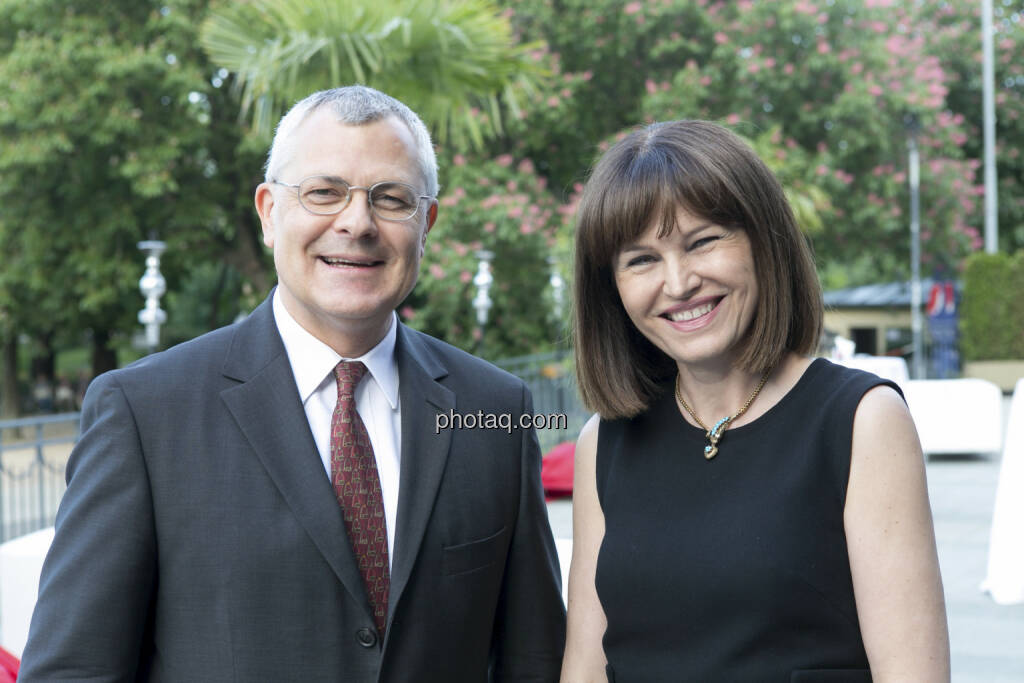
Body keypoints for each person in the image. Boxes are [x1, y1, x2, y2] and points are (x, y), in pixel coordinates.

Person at [20, 86, 566, 682]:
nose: (356, 223)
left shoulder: (495, 410)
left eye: (390, 199)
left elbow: (532, 661)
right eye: (324, 193)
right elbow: (74, 669)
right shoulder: (144, 413)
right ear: (269, 212)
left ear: (425, 223)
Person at [560, 120, 949, 681]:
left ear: (764, 243)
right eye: (640, 259)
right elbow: (586, 666)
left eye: (702, 241)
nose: (677, 282)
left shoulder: (861, 421)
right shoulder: (604, 441)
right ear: (612, 288)